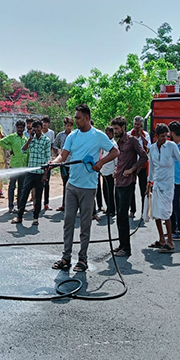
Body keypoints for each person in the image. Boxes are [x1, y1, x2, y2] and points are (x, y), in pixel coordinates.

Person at [48, 104, 118, 271]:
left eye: (78, 117)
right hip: (72, 185)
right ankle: (66, 258)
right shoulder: (72, 136)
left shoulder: (98, 135)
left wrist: (100, 162)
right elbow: (62, 156)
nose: (76, 120)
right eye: (76, 117)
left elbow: (115, 152)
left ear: (87, 118)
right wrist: (53, 163)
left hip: (88, 187)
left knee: (85, 224)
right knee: (68, 221)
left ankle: (82, 259)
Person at [147, 123, 180, 253]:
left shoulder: (171, 146)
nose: (165, 138)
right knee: (156, 213)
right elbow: (151, 167)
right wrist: (149, 182)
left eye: (166, 136)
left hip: (169, 184)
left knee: (166, 213)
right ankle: (161, 239)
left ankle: (170, 241)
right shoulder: (152, 148)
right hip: (157, 184)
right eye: (162, 136)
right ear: (156, 136)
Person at [111, 116, 147, 257]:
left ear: (123, 127)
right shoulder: (118, 143)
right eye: (113, 129)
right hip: (118, 182)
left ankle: (126, 248)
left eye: (116, 129)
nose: (114, 131)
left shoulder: (132, 141)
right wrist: (116, 170)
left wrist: (132, 170)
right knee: (119, 217)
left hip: (127, 183)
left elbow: (144, 156)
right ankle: (121, 244)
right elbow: (119, 161)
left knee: (123, 216)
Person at [12, 120, 50, 226]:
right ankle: (19, 216)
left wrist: (45, 174)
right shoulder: (31, 140)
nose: (36, 129)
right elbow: (23, 150)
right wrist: (30, 139)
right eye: (34, 128)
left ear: (41, 128)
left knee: (37, 197)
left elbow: (47, 158)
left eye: (38, 127)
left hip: (40, 173)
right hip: (30, 172)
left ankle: (35, 218)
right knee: (24, 195)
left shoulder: (46, 140)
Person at [0, 120, 29, 214]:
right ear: (16, 128)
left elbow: (27, 153)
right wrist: (10, 149)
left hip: (23, 167)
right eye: (18, 127)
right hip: (14, 166)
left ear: (23, 128)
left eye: (21, 128)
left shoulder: (25, 139)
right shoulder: (12, 137)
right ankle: (11, 206)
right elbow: (1, 142)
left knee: (21, 188)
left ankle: (20, 206)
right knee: (12, 187)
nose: (20, 129)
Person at [130, 116, 151, 218]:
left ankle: (143, 211)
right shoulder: (129, 134)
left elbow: (149, 147)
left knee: (143, 189)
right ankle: (132, 210)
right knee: (131, 188)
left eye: (138, 125)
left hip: (143, 166)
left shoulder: (145, 135)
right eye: (135, 124)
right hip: (132, 165)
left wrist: (141, 136)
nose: (137, 127)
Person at [53, 117, 73, 211]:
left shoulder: (75, 135)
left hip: (73, 163)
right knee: (65, 184)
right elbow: (54, 145)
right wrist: (58, 154)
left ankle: (72, 205)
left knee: (72, 184)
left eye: (70, 126)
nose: (69, 127)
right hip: (64, 163)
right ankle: (64, 205)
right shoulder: (60, 135)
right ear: (64, 125)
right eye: (67, 125)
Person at [100, 126, 118, 217]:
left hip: (110, 171)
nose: (107, 135)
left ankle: (112, 210)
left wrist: (115, 169)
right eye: (106, 133)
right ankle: (108, 208)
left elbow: (116, 160)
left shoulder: (113, 145)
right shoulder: (105, 143)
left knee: (110, 192)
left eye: (109, 133)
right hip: (104, 170)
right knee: (105, 191)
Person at [41, 116, 55, 210]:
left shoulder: (51, 133)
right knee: (37, 183)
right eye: (43, 122)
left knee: (47, 183)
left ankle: (46, 203)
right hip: (38, 161)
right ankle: (35, 201)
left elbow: (52, 145)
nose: (45, 124)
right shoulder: (38, 132)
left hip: (47, 160)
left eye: (46, 122)